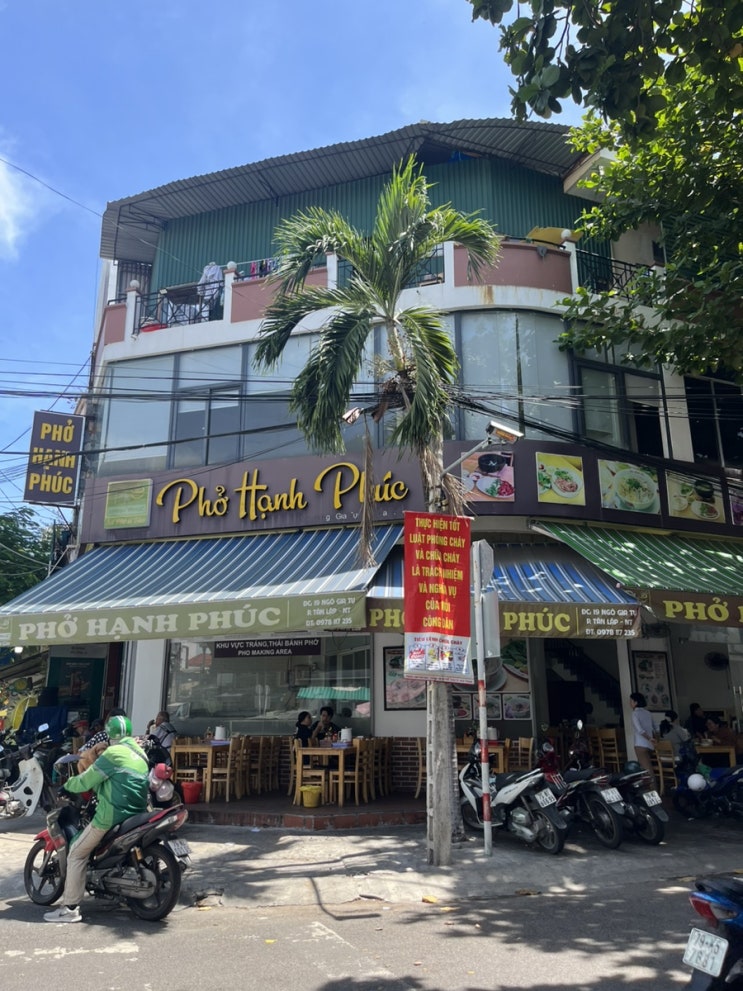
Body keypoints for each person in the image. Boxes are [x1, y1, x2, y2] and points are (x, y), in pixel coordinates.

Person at [43, 714, 149, 923]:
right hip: (137, 814)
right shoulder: (141, 753)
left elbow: (87, 779)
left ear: (110, 734)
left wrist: (67, 786)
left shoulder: (113, 753)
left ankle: (70, 908)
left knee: (76, 853)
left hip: (112, 815)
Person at [629, 692, 657, 790]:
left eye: (631, 701)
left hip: (640, 745)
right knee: (646, 768)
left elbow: (640, 730)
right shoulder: (648, 713)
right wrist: (654, 739)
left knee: (646, 770)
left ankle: (653, 791)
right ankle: (647, 790)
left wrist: (649, 738)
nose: (630, 703)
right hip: (650, 746)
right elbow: (655, 728)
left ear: (636, 702)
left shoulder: (635, 714)